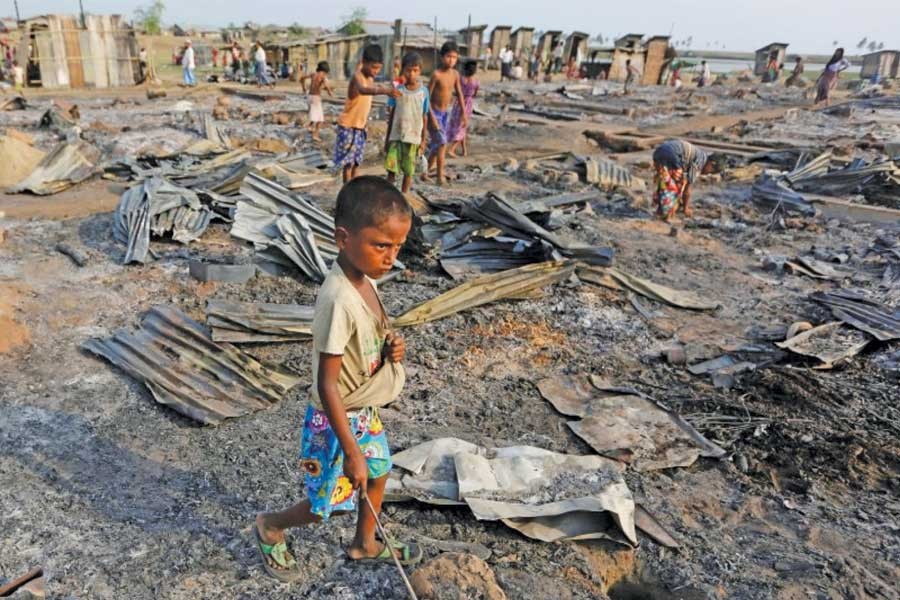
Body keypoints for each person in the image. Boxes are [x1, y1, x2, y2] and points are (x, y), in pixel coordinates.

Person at [253, 176, 419, 582]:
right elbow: (328, 384)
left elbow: (365, 341)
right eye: (381, 246)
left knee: (378, 474)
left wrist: (388, 350)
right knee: (324, 501)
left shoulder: (366, 281)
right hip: (335, 419)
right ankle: (270, 525)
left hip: (363, 410)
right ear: (343, 238)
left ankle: (365, 543)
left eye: (397, 247)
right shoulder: (337, 299)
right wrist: (351, 450)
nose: (390, 257)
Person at [334, 44, 400, 183]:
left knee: (357, 163)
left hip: (360, 127)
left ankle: (354, 188)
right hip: (348, 126)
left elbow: (372, 87)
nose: (376, 71)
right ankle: (347, 189)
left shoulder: (370, 78)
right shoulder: (357, 77)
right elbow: (363, 90)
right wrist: (385, 91)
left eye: (379, 68)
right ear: (364, 62)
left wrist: (384, 87)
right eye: (373, 67)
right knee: (348, 164)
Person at [384, 52, 431, 193]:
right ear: (403, 70)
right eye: (408, 70)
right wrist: (387, 138)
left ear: (420, 71)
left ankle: (404, 196)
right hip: (396, 136)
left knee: (408, 171)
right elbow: (392, 114)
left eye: (415, 70)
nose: (411, 74)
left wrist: (423, 140)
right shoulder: (397, 91)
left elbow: (425, 116)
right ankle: (389, 195)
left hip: (413, 138)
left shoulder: (423, 92)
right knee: (391, 170)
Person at [425, 41, 467, 186]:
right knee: (442, 144)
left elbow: (460, 93)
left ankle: (425, 173)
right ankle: (439, 177)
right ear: (442, 57)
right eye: (449, 56)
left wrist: (463, 113)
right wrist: (431, 118)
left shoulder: (455, 74)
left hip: (445, 114)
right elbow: (426, 98)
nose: (451, 60)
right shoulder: (436, 75)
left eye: (455, 57)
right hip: (434, 113)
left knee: (437, 147)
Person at [651, 139, 717, 220]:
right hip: (671, 155)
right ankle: (667, 213)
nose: (708, 174)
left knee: (664, 183)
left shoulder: (699, 155)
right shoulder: (699, 162)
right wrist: (686, 208)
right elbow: (687, 189)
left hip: (658, 152)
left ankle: (660, 209)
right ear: (711, 164)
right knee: (677, 185)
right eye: (711, 171)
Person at [448, 61, 480, 158]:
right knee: (461, 128)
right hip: (467, 104)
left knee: (461, 127)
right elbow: (475, 94)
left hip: (458, 103)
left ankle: (464, 150)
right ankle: (451, 149)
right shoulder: (475, 82)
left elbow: (456, 91)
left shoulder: (461, 79)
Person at [302, 61, 334, 142]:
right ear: (325, 70)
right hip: (316, 98)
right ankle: (315, 135)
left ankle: (309, 126)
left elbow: (302, 78)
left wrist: (303, 88)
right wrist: (329, 91)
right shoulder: (322, 76)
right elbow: (326, 84)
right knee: (320, 119)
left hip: (309, 97)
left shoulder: (313, 74)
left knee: (314, 115)